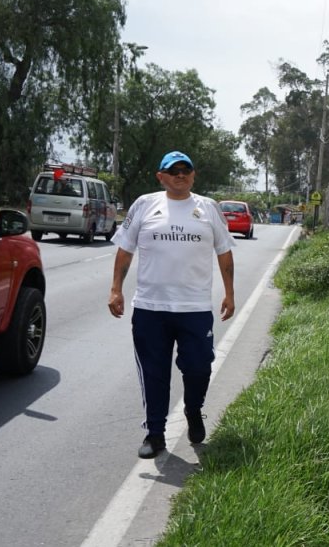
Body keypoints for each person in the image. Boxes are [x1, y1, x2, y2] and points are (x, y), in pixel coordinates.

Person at [107, 151, 236, 458]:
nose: (180, 175)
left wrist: (230, 293)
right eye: (173, 170)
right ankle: (155, 433)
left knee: (198, 368)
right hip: (151, 308)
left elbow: (224, 252)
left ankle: (193, 409)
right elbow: (125, 250)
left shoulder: (208, 208)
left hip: (195, 309)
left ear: (193, 175)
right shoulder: (144, 205)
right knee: (154, 372)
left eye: (185, 170)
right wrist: (116, 289)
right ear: (160, 176)